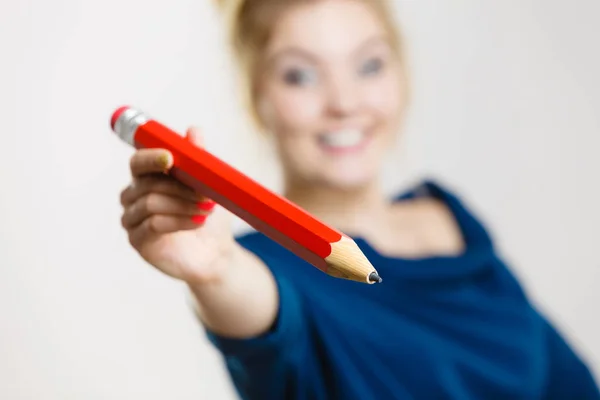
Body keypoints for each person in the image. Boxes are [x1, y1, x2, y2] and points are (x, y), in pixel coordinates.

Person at [118, 0, 600, 398]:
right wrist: (217, 269)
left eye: (369, 65)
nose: (345, 102)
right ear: (257, 96)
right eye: (301, 76)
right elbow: (257, 314)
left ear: (401, 76)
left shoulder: (449, 214)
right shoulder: (262, 267)